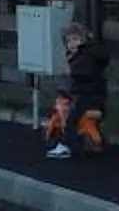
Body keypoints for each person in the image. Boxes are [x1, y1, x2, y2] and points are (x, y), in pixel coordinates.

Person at [43, 20, 109, 159]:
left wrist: (69, 76)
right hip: (87, 93)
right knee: (65, 106)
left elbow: (80, 75)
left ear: (83, 40)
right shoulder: (84, 55)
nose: (72, 43)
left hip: (89, 96)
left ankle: (66, 145)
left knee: (72, 114)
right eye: (69, 40)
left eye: (75, 39)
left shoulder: (85, 57)